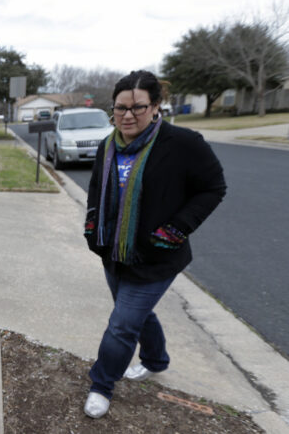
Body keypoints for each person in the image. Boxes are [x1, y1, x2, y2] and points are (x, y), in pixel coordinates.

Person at [82, 70, 226, 418]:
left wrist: (174, 230)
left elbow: (213, 188)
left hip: (158, 256)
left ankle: (102, 385)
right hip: (113, 253)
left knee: (122, 324)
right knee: (134, 315)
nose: (128, 115)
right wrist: (91, 227)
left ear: (156, 106)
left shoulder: (183, 144)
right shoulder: (108, 145)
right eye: (120, 108)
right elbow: (97, 190)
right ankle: (156, 359)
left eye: (138, 107)